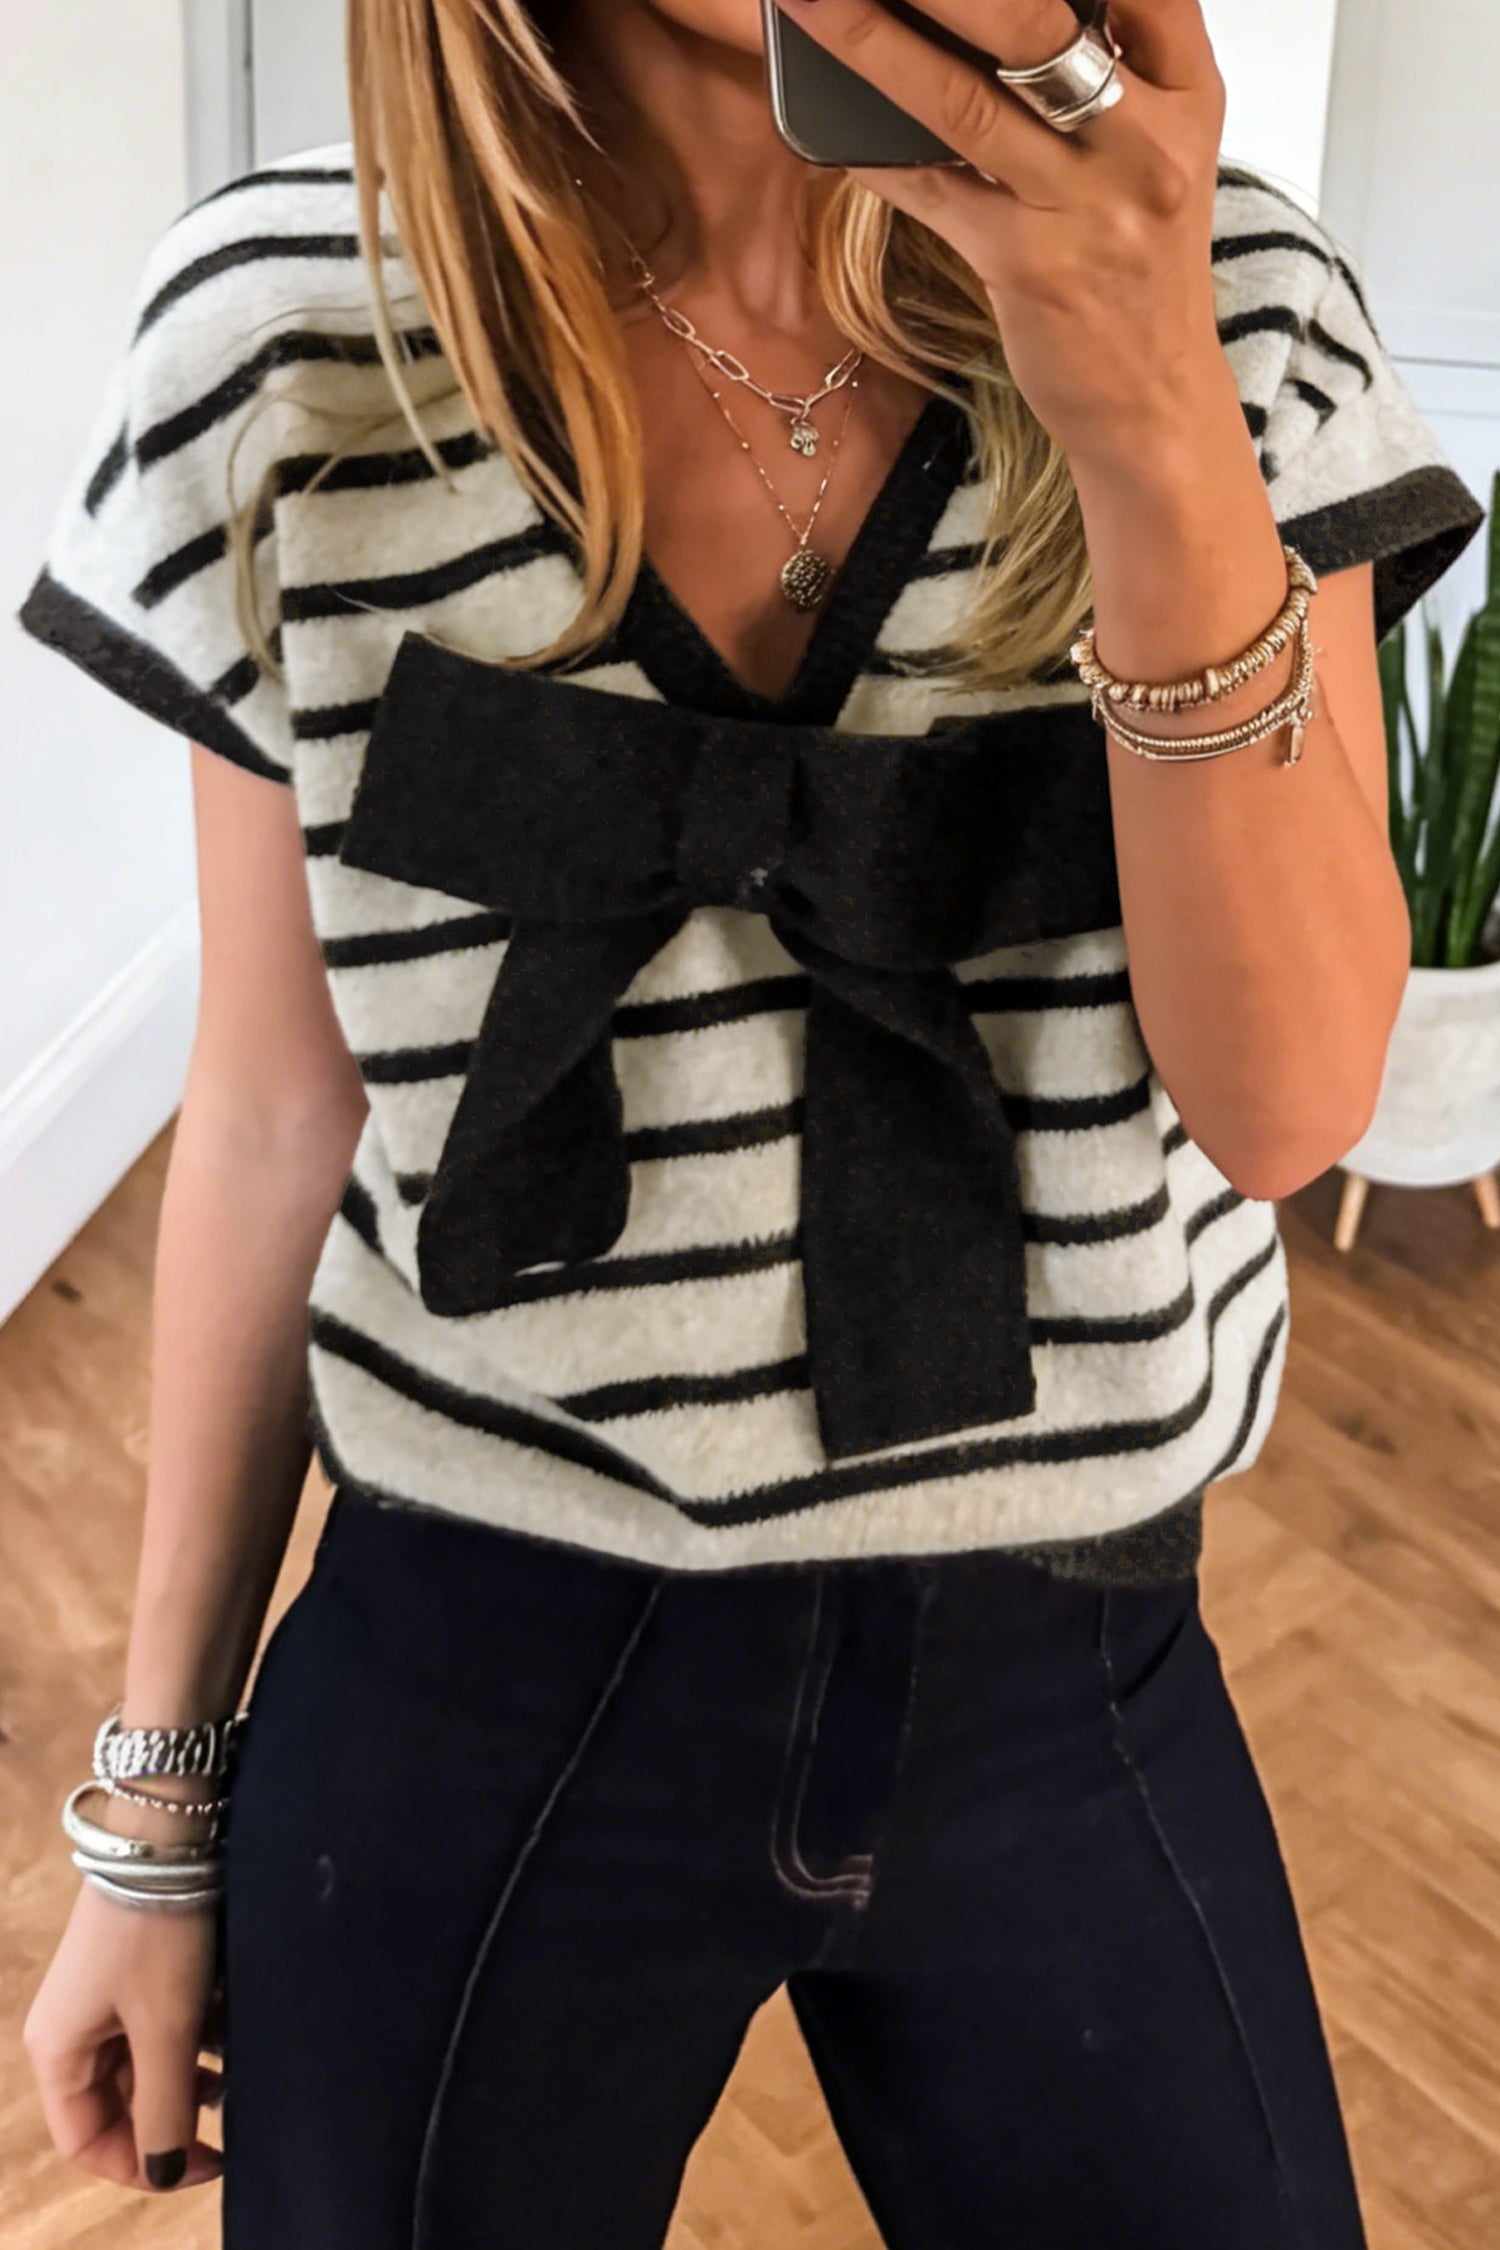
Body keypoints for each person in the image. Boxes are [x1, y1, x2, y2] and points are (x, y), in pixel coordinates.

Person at [16, 1, 1485, 2244]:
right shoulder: (284, 336)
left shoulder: (1242, 307)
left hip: (1066, 1664)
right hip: (475, 1667)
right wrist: (156, 1809)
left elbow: (1288, 1110)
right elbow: (273, 1105)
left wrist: (1152, 415)